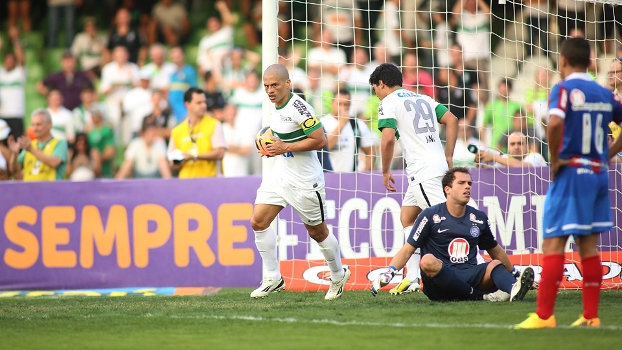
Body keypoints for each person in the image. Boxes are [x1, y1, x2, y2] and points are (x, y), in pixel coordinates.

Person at [515, 38, 622, 328]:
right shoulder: (603, 92)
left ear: (561, 61)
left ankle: (544, 316)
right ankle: (591, 316)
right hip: (598, 174)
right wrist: (607, 154)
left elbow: (554, 123)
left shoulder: (563, 89)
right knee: (588, 247)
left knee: (553, 243)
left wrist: (556, 159)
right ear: (590, 63)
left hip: (572, 171)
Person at [249, 64, 350, 300]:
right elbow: (283, 138)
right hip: (281, 175)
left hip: (306, 181)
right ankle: (273, 277)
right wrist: (272, 148)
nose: (270, 90)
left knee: (317, 232)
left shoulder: (300, 108)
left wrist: (286, 147)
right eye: (266, 86)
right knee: (258, 221)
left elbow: (320, 140)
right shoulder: (275, 106)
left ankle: (338, 274)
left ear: (287, 83)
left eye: (274, 85)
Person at [371, 167, 535, 302]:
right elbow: (408, 249)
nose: (467, 187)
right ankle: (480, 297)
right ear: (447, 190)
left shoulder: (478, 218)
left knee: (495, 264)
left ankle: (514, 289)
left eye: (470, 183)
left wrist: (515, 274)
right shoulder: (430, 215)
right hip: (439, 280)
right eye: (461, 183)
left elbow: (496, 251)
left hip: (469, 273)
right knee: (427, 261)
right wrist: (390, 272)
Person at [370, 63, 458, 295]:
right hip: (431, 167)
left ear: (381, 83)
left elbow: (388, 139)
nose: (376, 94)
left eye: (375, 89)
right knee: (408, 216)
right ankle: (411, 276)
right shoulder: (424, 98)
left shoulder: (387, 102)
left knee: (451, 223)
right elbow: (452, 120)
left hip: (424, 173)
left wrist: (385, 170)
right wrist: (448, 154)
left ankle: (480, 269)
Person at [167, 87, 226, 178]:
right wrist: (179, 161)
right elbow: (172, 163)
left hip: (210, 180)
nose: (204, 106)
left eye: (204, 102)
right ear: (187, 105)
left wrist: (193, 156)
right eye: (199, 103)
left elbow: (220, 153)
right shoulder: (177, 131)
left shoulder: (214, 124)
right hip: (186, 183)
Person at [321, 89, 375, 172]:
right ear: (332, 104)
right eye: (339, 104)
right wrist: (341, 125)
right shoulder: (323, 123)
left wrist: (365, 173)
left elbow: (370, 151)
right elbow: (325, 148)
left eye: (346, 104)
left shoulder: (358, 124)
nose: (343, 107)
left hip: (351, 178)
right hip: (328, 177)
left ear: (350, 105)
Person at [7, 109, 68, 181]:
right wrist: (14, 154)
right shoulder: (31, 144)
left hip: (51, 190)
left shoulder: (59, 143)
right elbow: (14, 170)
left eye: (38, 124)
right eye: (33, 125)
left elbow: (54, 162)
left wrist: (31, 149)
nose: (35, 129)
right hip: (29, 190)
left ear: (49, 124)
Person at [0, 26, 26, 139]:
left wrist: (16, 39)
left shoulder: (19, 73)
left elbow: (21, 59)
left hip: (17, 114)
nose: (9, 62)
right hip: (2, 115)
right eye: (7, 60)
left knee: (17, 146)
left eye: (12, 60)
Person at [476, 132, 547, 167]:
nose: (516, 147)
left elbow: (521, 167)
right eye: (512, 144)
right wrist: (479, 162)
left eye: (520, 143)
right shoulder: (505, 158)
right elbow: (489, 171)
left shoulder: (536, 156)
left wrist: (493, 157)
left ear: (527, 146)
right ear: (508, 147)